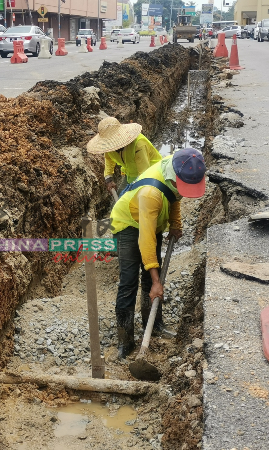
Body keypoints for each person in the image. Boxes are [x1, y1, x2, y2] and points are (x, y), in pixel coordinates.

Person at [109, 148, 207, 359]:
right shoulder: (151, 194)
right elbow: (146, 240)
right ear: (176, 176)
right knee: (129, 281)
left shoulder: (179, 164)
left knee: (151, 278)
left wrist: (176, 224)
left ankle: (153, 325)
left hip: (152, 220)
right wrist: (156, 281)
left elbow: (175, 195)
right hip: (128, 222)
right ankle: (125, 341)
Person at [87, 117, 162, 194]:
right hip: (130, 174)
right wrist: (108, 179)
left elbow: (144, 175)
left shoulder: (139, 145)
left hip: (153, 176)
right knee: (121, 199)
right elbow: (109, 159)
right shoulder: (110, 147)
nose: (113, 149)